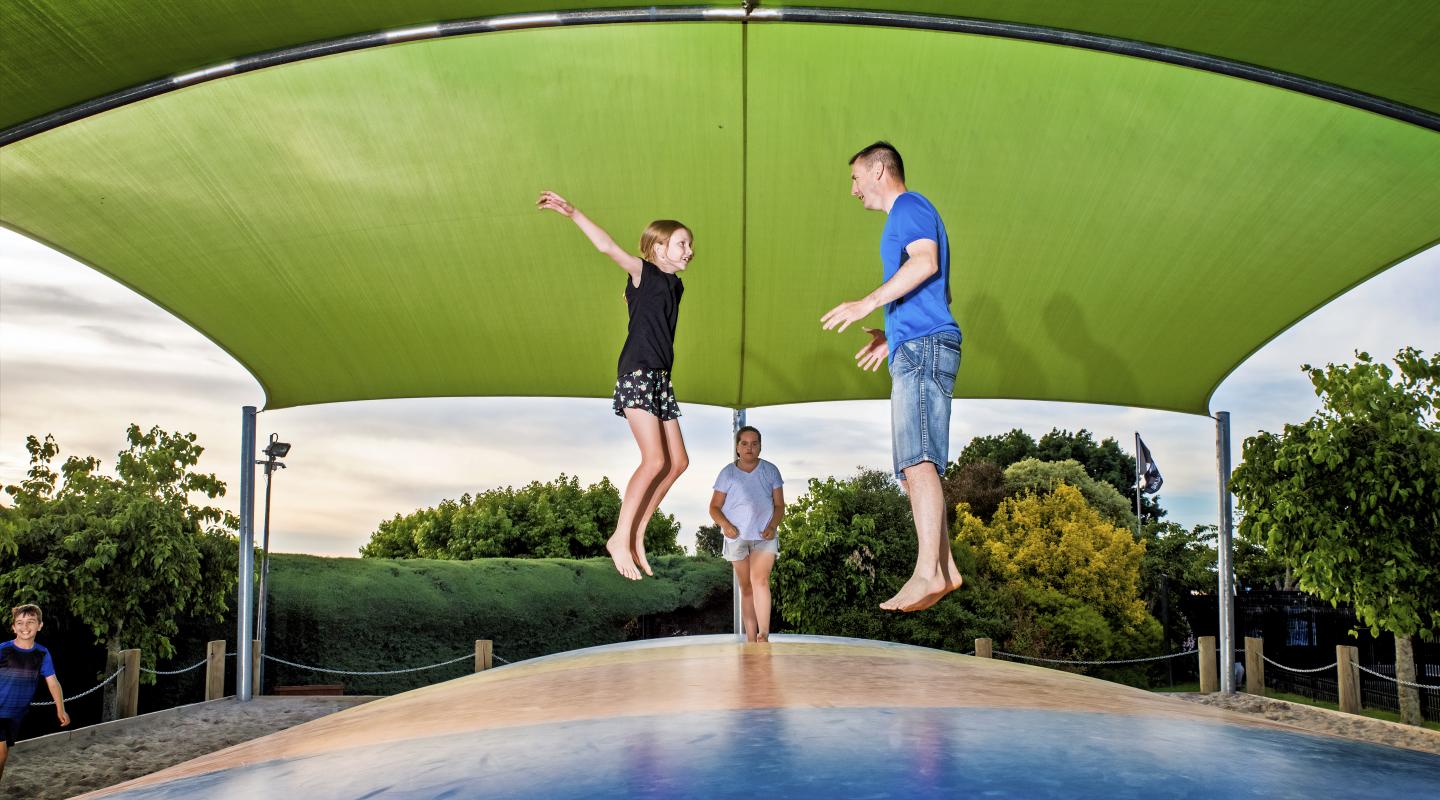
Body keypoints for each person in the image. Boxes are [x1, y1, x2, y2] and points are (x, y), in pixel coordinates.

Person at [822, 141, 963, 613]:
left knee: (917, 461)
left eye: (855, 177)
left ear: (879, 168)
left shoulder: (909, 207)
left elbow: (926, 264)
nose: (853, 189)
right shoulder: (902, 216)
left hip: (924, 347)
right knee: (912, 467)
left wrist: (867, 303)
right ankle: (944, 567)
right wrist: (889, 335)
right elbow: (926, 289)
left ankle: (929, 571)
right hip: (914, 342)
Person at [537, 190, 692, 580]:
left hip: (659, 379)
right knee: (655, 460)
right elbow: (607, 246)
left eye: (690, 244)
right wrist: (573, 213)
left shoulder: (675, 286)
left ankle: (637, 532)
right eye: (682, 243)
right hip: (638, 373)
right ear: (658, 247)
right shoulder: (644, 273)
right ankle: (619, 537)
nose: (689, 250)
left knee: (679, 463)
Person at [709, 426, 784, 642]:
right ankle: (751, 639)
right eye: (744, 443)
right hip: (737, 538)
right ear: (737, 447)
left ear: (760, 446)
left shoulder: (770, 471)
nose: (749, 448)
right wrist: (726, 525)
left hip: (764, 536)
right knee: (746, 587)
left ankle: (764, 634)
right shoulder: (727, 473)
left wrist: (772, 526)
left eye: (754, 443)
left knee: (760, 580)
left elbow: (779, 506)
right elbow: (714, 507)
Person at [1, 604, 69, 779]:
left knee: (3, 757)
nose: (25, 627)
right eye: (20, 622)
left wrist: (60, 708)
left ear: (40, 625)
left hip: (15, 714)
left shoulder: (42, 654)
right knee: (0, 753)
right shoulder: (3, 650)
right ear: (13, 627)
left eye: (30, 622)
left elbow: (53, 682)